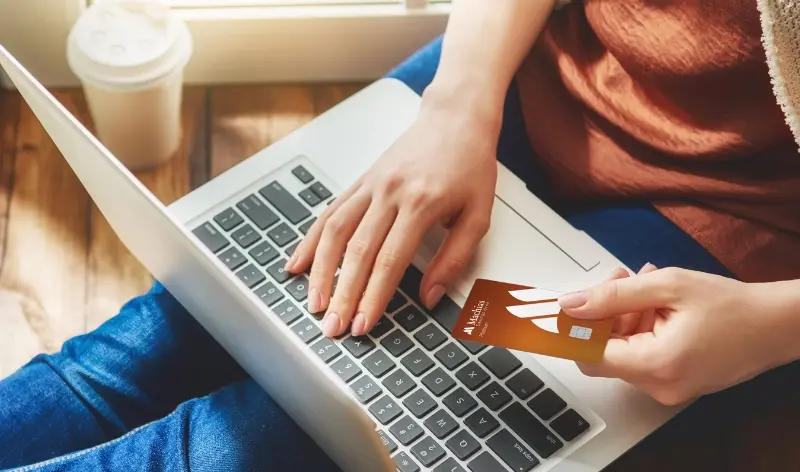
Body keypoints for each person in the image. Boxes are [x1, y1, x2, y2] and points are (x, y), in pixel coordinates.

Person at [1, 0, 800, 470]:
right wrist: (458, 102)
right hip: (521, 80)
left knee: (239, 446)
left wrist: (773, 325)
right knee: (140, 351)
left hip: (742, 239)